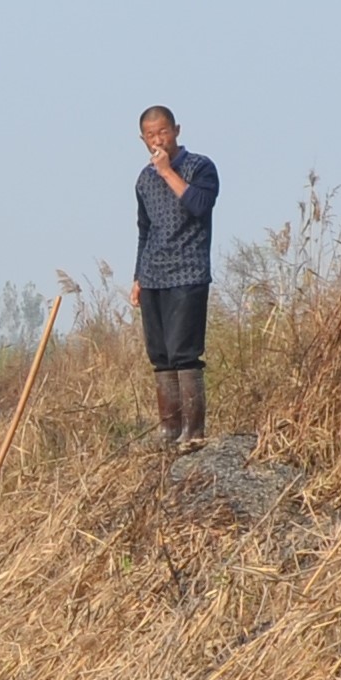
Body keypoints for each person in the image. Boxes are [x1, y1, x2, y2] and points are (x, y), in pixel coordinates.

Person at [131, 104, 218, 450]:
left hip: (188, 273)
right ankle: (169, 429)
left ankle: (193, 432)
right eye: (151, 135)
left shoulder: (200, 167)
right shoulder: (143, 179)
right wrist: (138, 276)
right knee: (161, 356)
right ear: (142, 138)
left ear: (177, 130)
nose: (158, 140)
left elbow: (199, 205)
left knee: (185, 354)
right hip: (153, 275)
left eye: (163, 132)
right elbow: (144, 229)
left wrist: (167, 171)